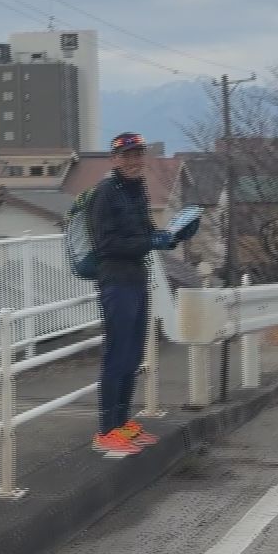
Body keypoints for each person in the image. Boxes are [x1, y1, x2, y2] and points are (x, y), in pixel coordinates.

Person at [88, 131, 195, 459]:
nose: (134, 161)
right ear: (114, 159)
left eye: (138, 154)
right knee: (117, 354)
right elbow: (105, 244)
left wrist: (172, 236)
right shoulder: (105, 193)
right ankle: (106, 431)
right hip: (115, 280)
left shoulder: (137, 190)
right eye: (127, 155)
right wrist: (151, 242)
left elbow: (147, 234)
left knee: (134, 355)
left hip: (136, 277)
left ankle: (122, 423)